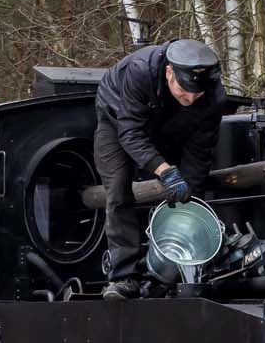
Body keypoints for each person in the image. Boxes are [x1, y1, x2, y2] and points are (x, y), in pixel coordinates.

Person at [92, 36, 223, 298]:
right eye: (185, 91)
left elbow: (199, 151)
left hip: (170, 123)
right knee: (118, 189)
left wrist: (188, 192)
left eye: (197, 93)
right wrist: (164, 170)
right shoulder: (140, 70)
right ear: (168, 72)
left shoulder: (211, 97)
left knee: (187, 193)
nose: (191, 97)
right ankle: (124, 277)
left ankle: (175, 270)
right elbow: (130, 133)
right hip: (118, 117)